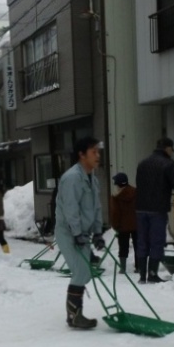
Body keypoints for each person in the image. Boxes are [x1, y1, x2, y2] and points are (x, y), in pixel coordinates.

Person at [54, 136, 105, 330]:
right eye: (94, 152)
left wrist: (98, 232)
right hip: (68, 232)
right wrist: (76, 233)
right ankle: (74, 316)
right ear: (81, 155)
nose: (97, 155)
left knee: (84, 273)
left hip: (82, 233)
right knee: (80, 271)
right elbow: (70, 209)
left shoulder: (92, 178)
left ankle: (75, 314)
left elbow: (96, 207)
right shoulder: (72, 178)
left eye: (98, 152)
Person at [135, 137, 174, 284]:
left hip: (140, 208)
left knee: (142, 241)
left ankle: (142, 275)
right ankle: (152, 274)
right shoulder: (169, 164)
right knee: (156, 242)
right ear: (167, 149)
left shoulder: (142, 163)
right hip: (157, 209)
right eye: (171, 149)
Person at [109, 172, 138, 274]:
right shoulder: (135, 192)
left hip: (122, 226)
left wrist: (115, 225)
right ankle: (139, 266)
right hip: (137, 224)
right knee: (138, 245)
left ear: (118, 184)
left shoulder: (116, 196)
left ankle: (123, 268)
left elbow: (115, 213)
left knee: (123, 246)